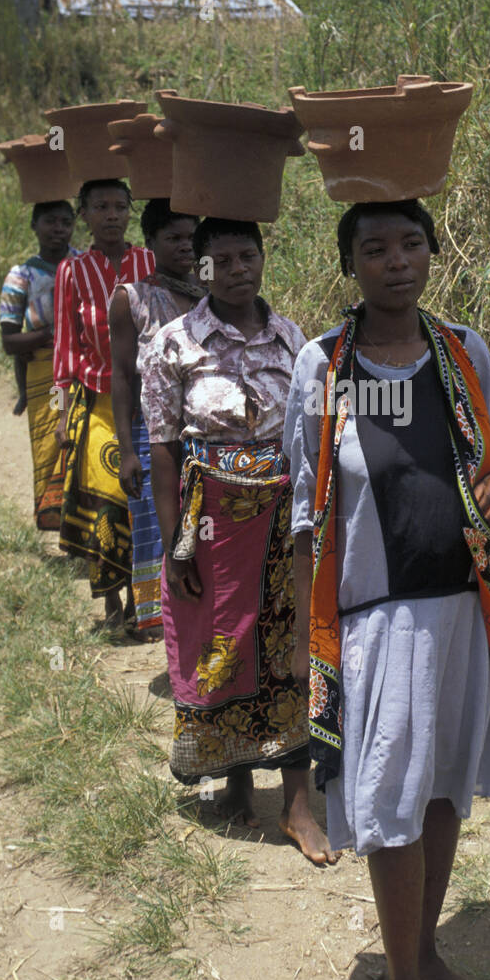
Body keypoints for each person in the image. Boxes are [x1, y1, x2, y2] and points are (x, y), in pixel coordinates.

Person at [283, 199, 490, 980]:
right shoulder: (323, 367)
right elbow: (307, 509)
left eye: (411, 243)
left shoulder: (463, 355)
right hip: (373, 622)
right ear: (350, 262)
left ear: (432, 252)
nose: (396, 261)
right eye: (375, 248)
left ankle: (424, 950)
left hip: (461, 610)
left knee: (445, 783)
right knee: (388, 797)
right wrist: (313, 644)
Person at [143, 216, 336, 864]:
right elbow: (165, 449)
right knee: (223, 648)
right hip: (212, 524)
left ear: (262, 257)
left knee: (287, 652)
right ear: (200, 270)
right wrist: (175, 541)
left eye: (246, 255)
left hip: (283, 520)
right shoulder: (174, 344)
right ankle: (232, 781)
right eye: (219, 259)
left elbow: (313, 437)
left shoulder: (292, 340)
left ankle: (298, 806)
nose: (235, 269)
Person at [52, 179, 155, 627]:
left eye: (119, 206)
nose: (111, 215)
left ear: (131, 211)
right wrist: (60, 412)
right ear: (85, 216)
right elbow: (64, 347)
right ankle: (111, 598)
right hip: (97, 401)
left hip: (149, 400)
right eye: (100, 207)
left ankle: (143, 605)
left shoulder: (150, 261)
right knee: (108, 499)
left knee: (145, 502)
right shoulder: (72, 272)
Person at [109, 199, 201, 640]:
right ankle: (161, 623)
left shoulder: (214, 294)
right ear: (150, 244)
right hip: (151, 432)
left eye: (191, 237)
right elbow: (123, 377)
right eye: (173, 238)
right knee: (159, 525)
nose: (185, 247)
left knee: (199, 526)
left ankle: (199, 617)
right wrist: (127, 449)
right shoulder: (132, 299)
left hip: (203, 434)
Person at [0, 201, 81, 530]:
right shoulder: (21, 275)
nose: (58, 228)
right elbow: (9, 341)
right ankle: (56, 520)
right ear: (34, 225)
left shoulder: (85, 265)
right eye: (50, 221)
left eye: (65, 221)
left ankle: (83, 522)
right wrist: (53, 332)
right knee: (52, 444)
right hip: (46, 371)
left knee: (83, 442)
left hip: (83, 368)